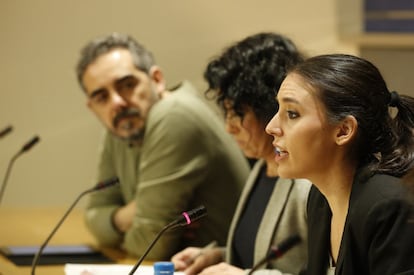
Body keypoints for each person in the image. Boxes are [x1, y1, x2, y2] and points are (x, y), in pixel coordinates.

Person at [75, 32, 250, 260]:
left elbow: (149, 245)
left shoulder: (173, 116)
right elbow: (93, 214)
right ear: (92, 107)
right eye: (102, 97)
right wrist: (129, 216)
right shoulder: (121, 125)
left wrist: (131, 224)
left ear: (157, 79)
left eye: (127, 85)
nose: (116, 102)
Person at [171, 32, 311, 275]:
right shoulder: (258, 166)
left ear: (270, 108)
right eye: (226, 112)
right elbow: (258, 255)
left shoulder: (308, 184)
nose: (229, 127)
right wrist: (217, 257)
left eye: (238, 113)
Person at [265, 53, 414, 275]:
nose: (271, 127)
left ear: (343, 130)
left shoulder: (389, 206)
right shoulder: (319, 199)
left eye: (292, 114)